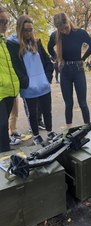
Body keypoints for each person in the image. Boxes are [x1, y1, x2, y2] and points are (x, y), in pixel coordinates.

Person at [6, 15, 57, 145]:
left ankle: (50, 132)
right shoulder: (13, 45)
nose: (29, 33)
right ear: (19, 29)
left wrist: (47, 77)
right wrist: (26, 82)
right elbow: (15, 66)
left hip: (43, 86)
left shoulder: (37, 42)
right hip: (29, 88)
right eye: (26, 30)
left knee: (47, 111)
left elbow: (47, 61)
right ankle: (36, 135)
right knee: (32, 114)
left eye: (30, 30)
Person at [48, 12, 91, 129]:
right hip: (65, 71)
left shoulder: (80, 33)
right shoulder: (55, 35)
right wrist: (57, 59)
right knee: (68, 103)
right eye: (61, 30)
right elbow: (49, 48)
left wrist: (83, 59)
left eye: (66, 28)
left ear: (68, 22)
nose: (64, 31)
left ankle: (87, 127)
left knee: (82, 103)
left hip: (78, 70)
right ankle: (69, 130)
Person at [0, 7, 20, 153]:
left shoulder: (3, 41)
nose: (5, 24)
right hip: (1, 93)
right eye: (1, 21)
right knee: (1, 130)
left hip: (9, 91)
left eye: (7, 21)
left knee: (3, 129)